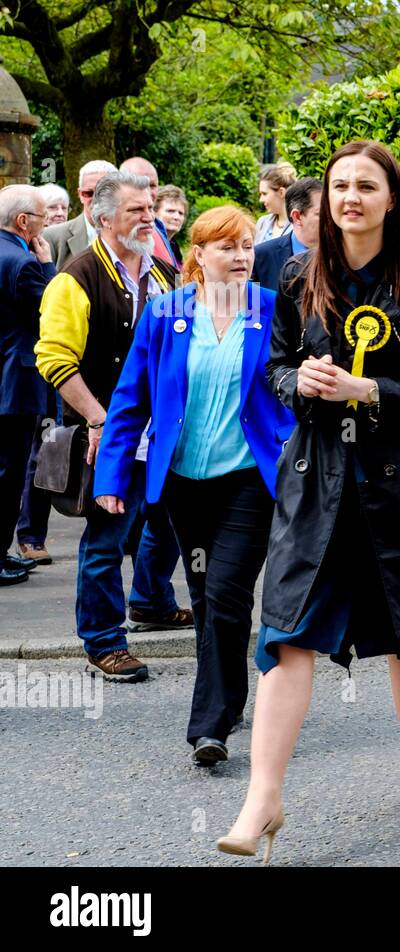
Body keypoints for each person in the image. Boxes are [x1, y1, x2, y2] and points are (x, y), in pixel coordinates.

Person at [217, 140, 400, 863]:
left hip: (397, 481)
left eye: (367, 186)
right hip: (315, 480)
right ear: (324, 199)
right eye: (340, 187)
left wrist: (370, 391)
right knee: (286, 631)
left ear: (392, 198)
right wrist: (294, 382)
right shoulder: (297, 274)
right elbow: (271, 365)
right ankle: (262, 798)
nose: (351, 198)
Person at [94, 205, 295, 766]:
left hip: (248, 482)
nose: (240, 257)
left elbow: (293, 386)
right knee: (208, 598)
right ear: (198, 256)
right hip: (183, 484)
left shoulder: (272, 310)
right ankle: (229, 699)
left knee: (227, 592)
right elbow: (130, 400)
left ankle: (209, 726)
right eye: (227, 247)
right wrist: (111, 477)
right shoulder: (165, 314)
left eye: (248, 246)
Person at [35, 170, 191, 683]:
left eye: (150, 209)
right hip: (112, 432)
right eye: (137, 212)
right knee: (107, 537)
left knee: (168, 524)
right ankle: (103, 639)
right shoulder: (74, 278)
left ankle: (150, 601)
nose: (149, 218)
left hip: (165, 431)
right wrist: (101, 420)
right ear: (104, 220)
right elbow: (55, 359)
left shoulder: (164, 275)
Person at [0, 185, 56, 586]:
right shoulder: (23, 263)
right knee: (9, 474)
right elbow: (50, 315)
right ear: (23, 222)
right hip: (15, 384)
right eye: (41, 218)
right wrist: (48, 265)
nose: (45, 225)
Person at [43, 160, 116, 269]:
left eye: (103, 192)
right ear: (80, 195)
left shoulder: (131, 235)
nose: (96, 199)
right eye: (89, 193)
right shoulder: (52, 237)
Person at [252, 177, 322, 289]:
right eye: (321, 213)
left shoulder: (344, 255)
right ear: (297, 217)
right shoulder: (261, 257)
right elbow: (254, 304)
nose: (330, 218)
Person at [120, 157, 181, 270]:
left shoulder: (158, 226)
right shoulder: (117, 230)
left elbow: (172, 272)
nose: (146, 191)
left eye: (152, 185)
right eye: (140, 184)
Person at [254, 163, 295, 245]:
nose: (261, 200)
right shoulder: (262, 222)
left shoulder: (297, 227)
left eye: (264, 194)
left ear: (281, 192)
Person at [155, 185, 188, 263]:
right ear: (154, 213)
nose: (176, 217)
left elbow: (175, 274)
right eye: (170, 211)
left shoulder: (174, 248)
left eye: (181, 213)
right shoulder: (148, 244)